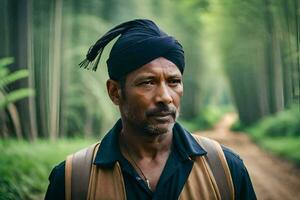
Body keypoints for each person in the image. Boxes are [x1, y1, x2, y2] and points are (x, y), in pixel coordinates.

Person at [45, 19, 256, 200]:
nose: (165, 97)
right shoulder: (73, 181)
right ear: (115, 92)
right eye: (148, 82)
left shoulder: (226, 170)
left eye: (174, 81)